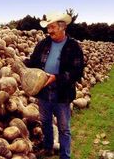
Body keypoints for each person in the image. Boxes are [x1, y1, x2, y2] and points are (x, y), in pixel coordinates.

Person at [24, 11, 84, 159]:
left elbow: (77, 72)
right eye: (48, 27)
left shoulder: (73, 46)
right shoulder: (43, 44)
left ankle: (65, 155)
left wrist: (56, 78)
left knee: (64, 128)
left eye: (52, 27)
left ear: (62, 27)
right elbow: (33, 63)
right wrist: (20, 64)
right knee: (45, 122)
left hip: (62, 93)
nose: (49, 31)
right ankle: (48, 148)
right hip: (44, 91)